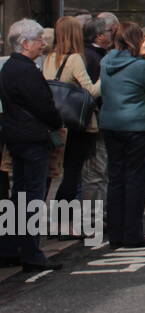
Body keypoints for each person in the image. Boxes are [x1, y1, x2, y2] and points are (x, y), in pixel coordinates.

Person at [0, 19, 66, 272]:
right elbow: (43, 105)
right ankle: (31, 253)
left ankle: (9, 248)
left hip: (16, 136)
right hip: (33, 138)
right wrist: (56, 120)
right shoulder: (26, 70)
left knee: (19, 195)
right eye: (39, 40)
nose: (42, 44)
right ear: (25, 43)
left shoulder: (9, 68)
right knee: (33, 197)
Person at [99, 22, 145, 248]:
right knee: (135, 179)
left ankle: (116, 234)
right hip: (138, 127)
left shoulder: (105, 62)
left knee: (116, 179)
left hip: (111, 125)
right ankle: (133, 234)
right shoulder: (141, 67)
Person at [44, 17, 101, 227]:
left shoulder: (49, 58)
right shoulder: (75, 59)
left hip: (57, 122)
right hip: (77, 124)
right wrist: (105, 76)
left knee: (56, 173)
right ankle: (62, 220)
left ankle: (55, 219)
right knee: (73, 173)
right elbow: (91, 91)